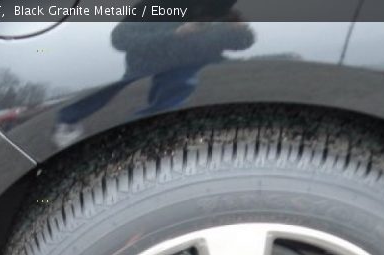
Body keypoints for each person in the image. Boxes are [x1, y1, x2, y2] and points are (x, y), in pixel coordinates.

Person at [52, 1, 255, 148]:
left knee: (191, 84)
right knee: (111, 91)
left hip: (196, 65)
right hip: (149, 66)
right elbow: (120, 39)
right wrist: (175, 34)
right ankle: (68, 120)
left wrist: (238, 29)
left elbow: (243, 41)